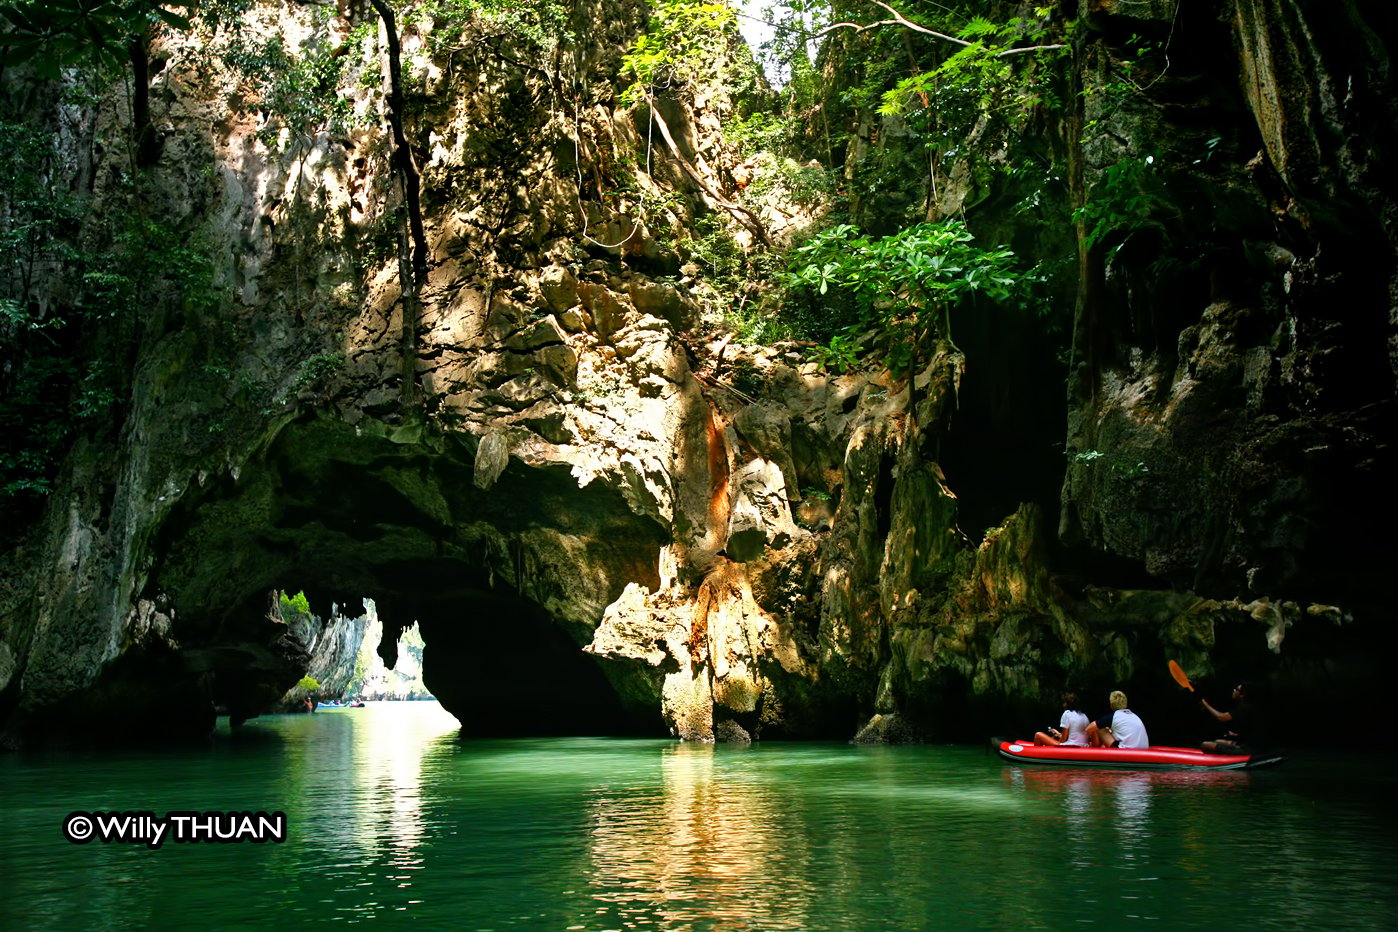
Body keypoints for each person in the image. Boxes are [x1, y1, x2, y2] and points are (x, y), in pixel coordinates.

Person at [1200, 681, 1258, 753]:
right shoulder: (1248, 707)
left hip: (1247, 748)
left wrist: (1205, 704)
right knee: (1217, 741)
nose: (1234, 691)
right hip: (1246, 743)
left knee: (1205, 745)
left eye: (1237, 690)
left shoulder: (1244, 708)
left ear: (1242, 695)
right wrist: (1235, 734)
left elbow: (1221, 717)